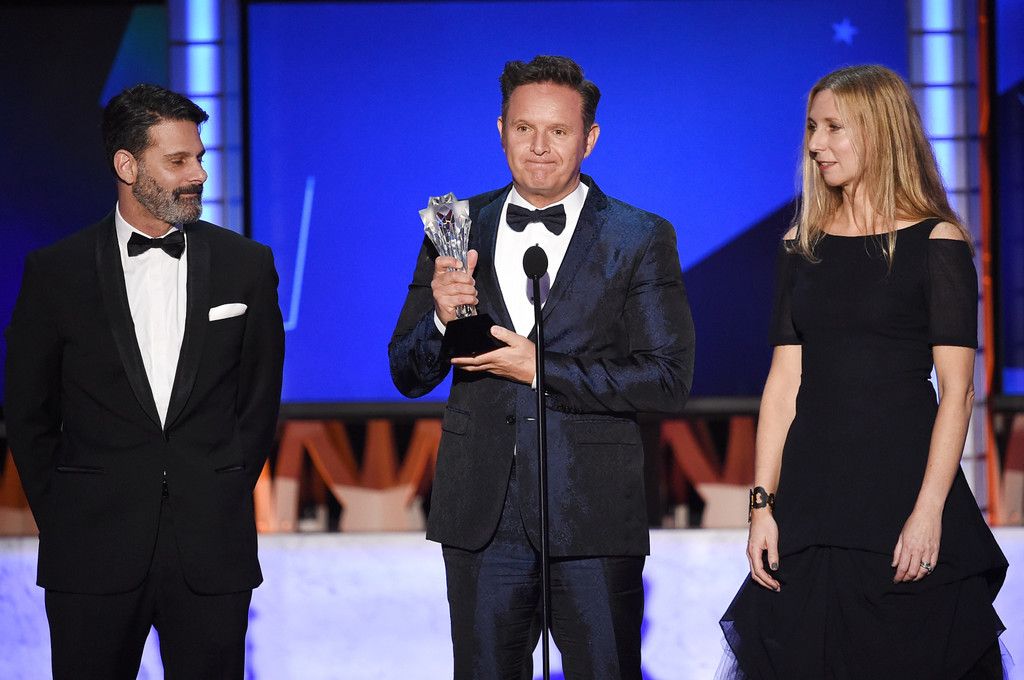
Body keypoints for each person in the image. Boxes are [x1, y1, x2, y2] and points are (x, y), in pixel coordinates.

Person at [389, 55, 695, 678]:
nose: (538, 147)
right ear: (500, 130)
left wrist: (541, 367)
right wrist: (441, 320)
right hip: (482, 516)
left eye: (558, 131)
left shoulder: (639, 236)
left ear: (590, 138)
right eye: (524, 128)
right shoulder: (454, 225)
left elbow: (667, 380)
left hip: (592, 514)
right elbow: (408, 373)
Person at [719, 65, 1008, 679]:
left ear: (880, 132)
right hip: (811, 504)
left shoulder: (937, 242)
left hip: (900, 497)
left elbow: (957, 392)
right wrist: (762, 506)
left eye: (833, 128)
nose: (815, 144)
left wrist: (928, 511)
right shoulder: (801, 245)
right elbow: (783, 384)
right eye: (811, 127)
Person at [5, 84, 284, 679]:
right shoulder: (55, 273)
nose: (198, 174)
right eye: (178, 160)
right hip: (90, 552)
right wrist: (68, 517)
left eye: (200, 158)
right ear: (127, 166)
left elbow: (258, 406)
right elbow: (29, 416)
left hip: (212, 552)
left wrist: (219, 494)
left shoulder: (246, 266)